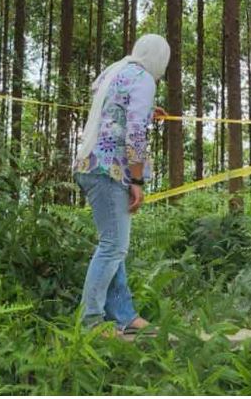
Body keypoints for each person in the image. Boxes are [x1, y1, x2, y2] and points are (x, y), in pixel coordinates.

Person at [73, 34, 170, 334]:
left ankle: (124, 315)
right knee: (113, 246)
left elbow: (113, 109)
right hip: (109, 169)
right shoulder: (144, 79)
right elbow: (135, 133)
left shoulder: (118, 70)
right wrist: (137, 179)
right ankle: (90, 322)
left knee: (115, 244)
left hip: (91, 164)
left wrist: (147, 111)